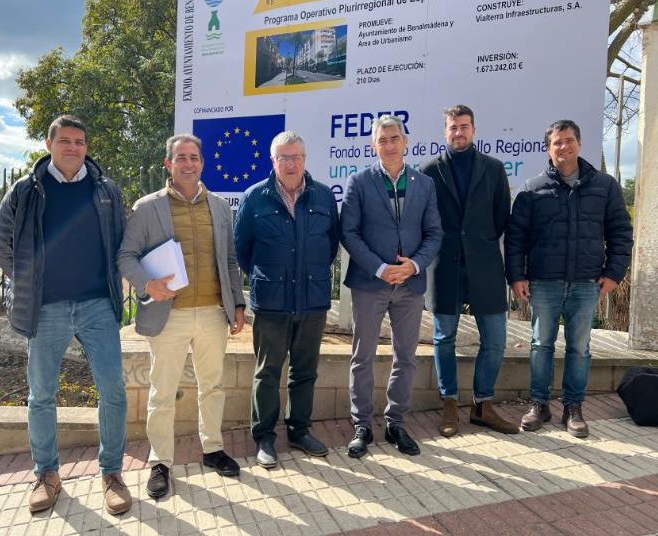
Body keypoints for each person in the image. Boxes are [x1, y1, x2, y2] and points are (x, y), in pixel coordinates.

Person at [0, 115, 131, 515]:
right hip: (46, 307)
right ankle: (46, 474)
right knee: (41, 396)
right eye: (66, 140)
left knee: (113, 391)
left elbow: (120, 240)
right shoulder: (25, 190)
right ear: (49, 143)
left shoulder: (105, 190)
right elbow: (3, 240)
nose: (74, 147)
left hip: (96, 306)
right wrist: (28, 279)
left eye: (80, 141)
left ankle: (111, 473)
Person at [117, 134, 246, 498]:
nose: (188, 163)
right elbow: (126, 255)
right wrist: (148, 285)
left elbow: (231, 262)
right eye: (181, 157)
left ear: (202, 163)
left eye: (194, 157)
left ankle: (212, 449)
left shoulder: (220, 207)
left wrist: (237, 304)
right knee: (162, 392)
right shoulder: (147, 208)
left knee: (213, 385)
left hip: (211, 314)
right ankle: (160, 462)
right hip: (167, 315)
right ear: (168, 164)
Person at [505, 119, 633, 438]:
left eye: (569, 140)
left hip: (587, 282)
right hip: (543, 282)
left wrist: (614, 273)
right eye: (557, 142)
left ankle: (573, 408)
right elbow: (516, 238)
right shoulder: (532, 189)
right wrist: (516, 276)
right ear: (548, 148)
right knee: (540, 345)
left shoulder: (604, 186)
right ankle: (539, 405)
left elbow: (621, 233)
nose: (564, 146)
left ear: (579, 143)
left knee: (579, 347)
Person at [234, 131, 340, 469]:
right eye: (283, 157)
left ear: (305, 160)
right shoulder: (255, 198)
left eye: (296, 157)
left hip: (312, 300)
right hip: (272, 303)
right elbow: (243, 251)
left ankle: (299, 430)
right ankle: (264, 436)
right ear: (273, 161)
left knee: (305, 371)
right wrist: (272, 278)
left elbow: (330, 247)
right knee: (267, 372)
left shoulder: (324, 197)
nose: (291, 163)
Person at [340, 115, 443, 458]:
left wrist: (413, 265)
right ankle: (362, 425)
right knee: (363, 356)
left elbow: (434, 233)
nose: (388, 144)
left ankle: (396, 422)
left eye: (394, 138)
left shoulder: (424, 184)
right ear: (374, 145)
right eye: (382, 140)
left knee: (406, 357)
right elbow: (349, 234)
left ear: (405, 141)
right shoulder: (359, 182)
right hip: (371, 283)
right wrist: (381, 268)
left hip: (410, 285)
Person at [419, 105, 519, 437]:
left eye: (464, 126)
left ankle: (482, 405)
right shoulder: (428, 172)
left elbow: (501, 216)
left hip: (485, 265)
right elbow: (424, 220)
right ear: (445, 132)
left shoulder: (493, 169)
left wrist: (477, 241)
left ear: (474, 129)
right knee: (443, 338)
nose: (458, 132)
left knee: (495, 338)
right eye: (452, 127)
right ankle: (449, 404)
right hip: (444, 267)